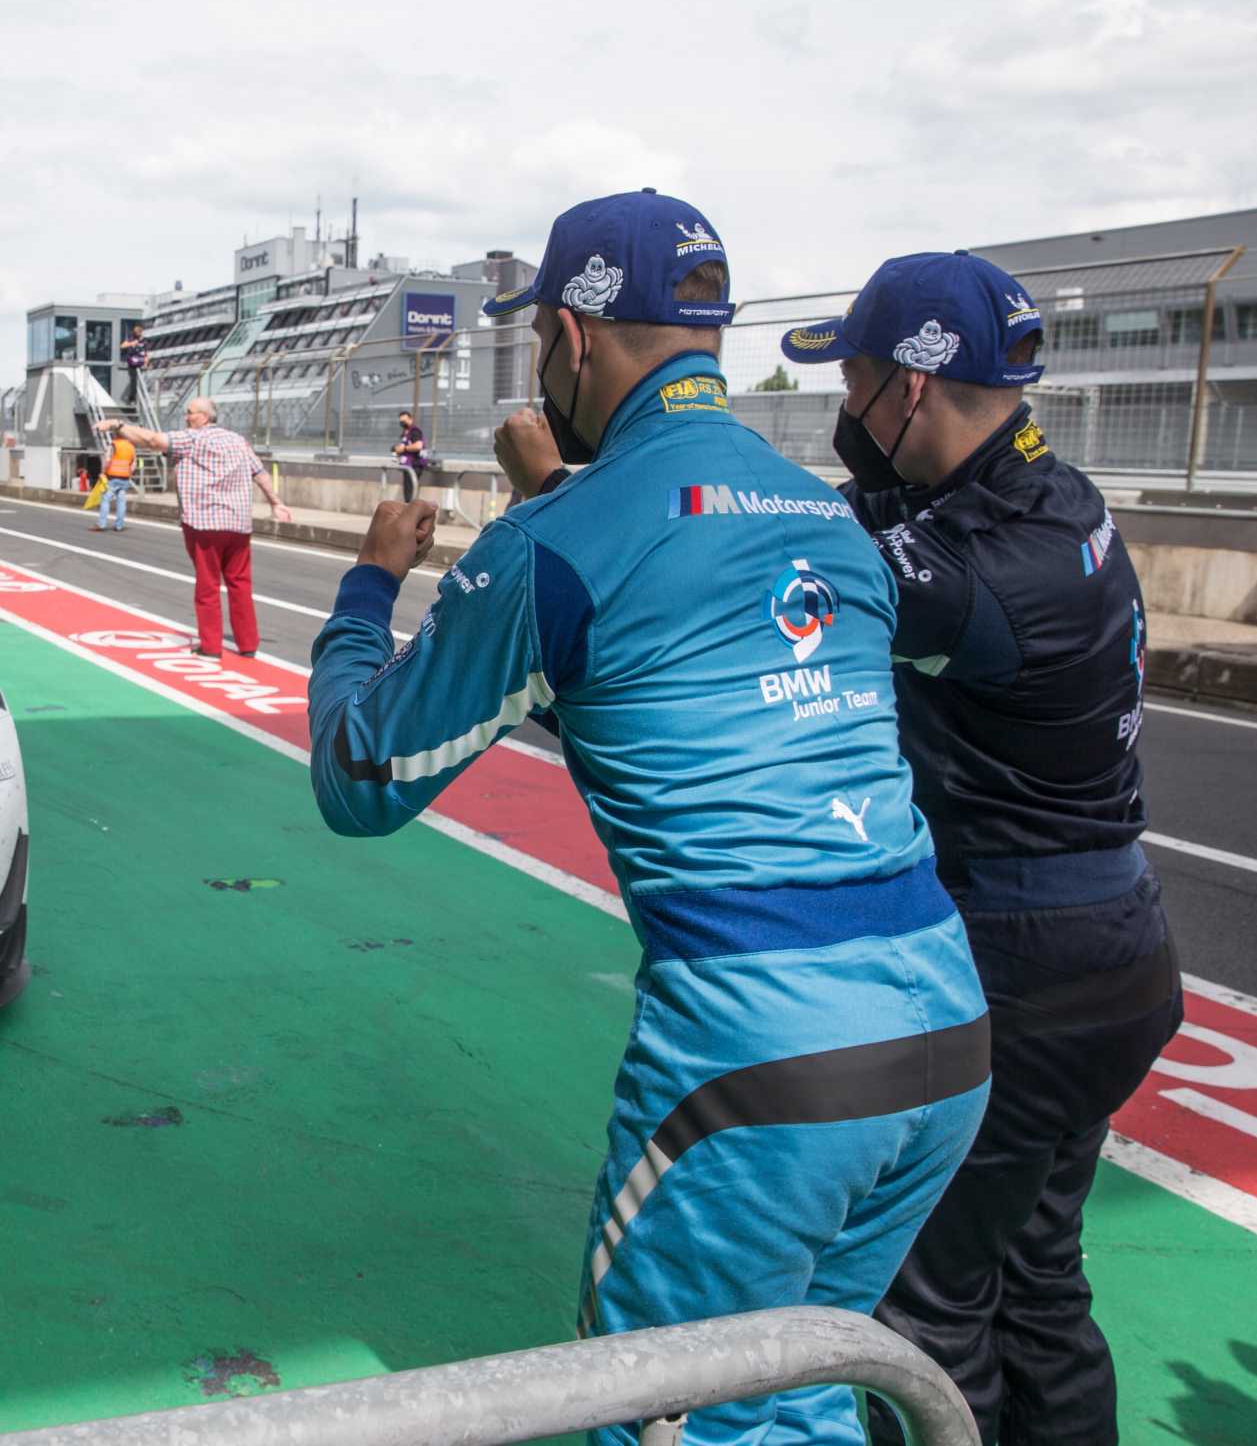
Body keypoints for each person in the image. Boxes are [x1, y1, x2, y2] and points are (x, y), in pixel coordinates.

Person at [307, 190, 989, 1446]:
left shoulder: (550, 545)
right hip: (942, 1031)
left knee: (665, 1418)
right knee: (797, 1392)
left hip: (760, 1061)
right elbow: (660, 675)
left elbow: (359, 779)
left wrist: (366, 590)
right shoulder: (821, 512)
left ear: (569, 335)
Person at [779, 254, 1184, 1446]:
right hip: (1106, 952)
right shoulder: (1046, 499)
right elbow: (879, 524)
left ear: (911, 387)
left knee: (925, 1303)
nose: (837, 411)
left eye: (849, 379)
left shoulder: (971, 571)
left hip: (1021, 967)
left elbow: (799, 586)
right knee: (1037, 1279)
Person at [107, 398, 292, 658]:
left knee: (208, 585)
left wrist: (118, 425)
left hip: (205, 523)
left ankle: (211, 646)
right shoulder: (238, 441)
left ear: (204, 417)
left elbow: (151, 440)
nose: (186, 417)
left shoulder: (192, 439)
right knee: (240, 584)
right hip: (238, 524)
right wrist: (276, 503)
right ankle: (248, 643)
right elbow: (259, 473)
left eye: (190, 413)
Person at [90, 425, 138, 533]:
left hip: (112, 477)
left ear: (115, 434)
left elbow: (107, 460)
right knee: (121, 502)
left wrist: (102, 472)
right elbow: (134, 463)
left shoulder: (113, 445)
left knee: (105, 499)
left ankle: (102, 524)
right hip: (125, 478)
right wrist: (129, 473)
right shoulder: (131, 446)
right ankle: (119, 526)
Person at [392, 410, 429, 502]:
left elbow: (418, 446)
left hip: (415, 465)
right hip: (408, 465)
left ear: (410, 419)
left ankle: (410, 511)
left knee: (410, 492)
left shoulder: (415, 431)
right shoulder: (405, 433)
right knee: (407, 491)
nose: (403, 423)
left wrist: (404, 448)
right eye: (401, 422)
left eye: (404, 421)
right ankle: (409, 509)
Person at [119, 321, 148, 406]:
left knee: (140, 380)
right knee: (133, 379)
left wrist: (146, 364)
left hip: (140, 362)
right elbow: (122, 346)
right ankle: (132, 399)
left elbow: (146, 354)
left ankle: (139, 399)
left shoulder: (144, 341)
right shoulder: (131, 338)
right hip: (132, 362)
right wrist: (132, 343)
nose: (138, 333)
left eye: (139, 331)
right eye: (136, 331)